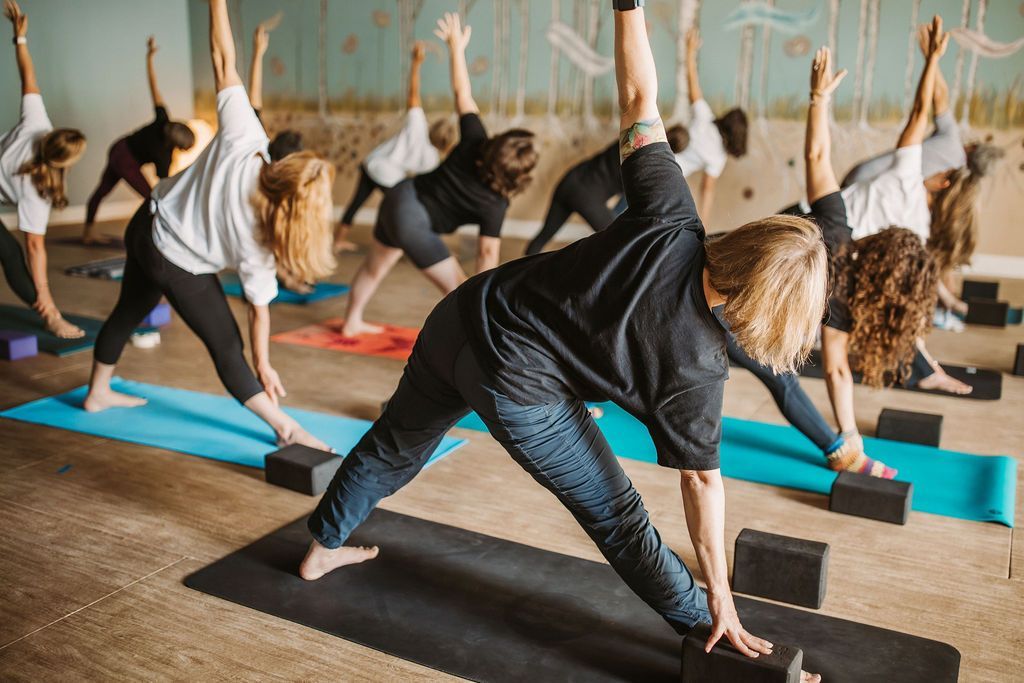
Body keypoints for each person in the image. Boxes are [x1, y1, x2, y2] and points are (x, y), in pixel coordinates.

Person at [299, 7, 826, 682]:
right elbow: (699, 481)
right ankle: (712, 633)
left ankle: (320, 545)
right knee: (618, 515)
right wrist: (719, 593)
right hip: (515, 384)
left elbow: (640, 97)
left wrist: (627, 8)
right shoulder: (697, 369)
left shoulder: (672, 214)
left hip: (462, 314)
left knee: (399, 441)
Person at [83, 0, 335, 452]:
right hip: (174, 257)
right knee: (226, 344)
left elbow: (222, 56)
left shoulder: (247, 138)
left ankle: (98, 392)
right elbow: (258, 310)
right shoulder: (263, 243)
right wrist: (263, 362)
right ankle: (285, 427)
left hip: (146, 223)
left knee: (129, 310)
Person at [339, 13, 537, 339]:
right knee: (462, 292)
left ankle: (352, 322)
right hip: (413, 221)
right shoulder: (495, 204)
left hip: (399, 196)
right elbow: (487, 255)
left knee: (376, 265)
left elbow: (462, 93)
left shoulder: (475, 139)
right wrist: (481, 298)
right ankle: (473, 350)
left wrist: (456, 47)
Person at [0, 0, 86, 339]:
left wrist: (19, 38)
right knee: (10, 253)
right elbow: (35, 247)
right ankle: (50, 317)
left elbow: (28, 76)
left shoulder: (39, 122)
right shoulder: (37, 190)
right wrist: (46, 295)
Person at [335, 42, 456, 254]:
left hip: (372, 163)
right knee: (404, 208)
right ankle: (406, 244)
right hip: (388, 175)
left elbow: (413, 94)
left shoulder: (418, 123)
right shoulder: (432, 160)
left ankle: (338, 240)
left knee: (356, 203)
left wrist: (416, 64)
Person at [83, 36, 195, 245]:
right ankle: (154, 237)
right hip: (125, 159)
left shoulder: (163, 119)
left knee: (102, 191)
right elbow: (163, 187)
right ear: (177, 145)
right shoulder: (164, 154)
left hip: (118, 146)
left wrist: (149, 57)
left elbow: (154, 87)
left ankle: (88, 232)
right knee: (152, 199)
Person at [524, 125, 689, 256]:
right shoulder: (652, 163)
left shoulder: (636, 134)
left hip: (571, 180)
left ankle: (523, 273)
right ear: (676, 152)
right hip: (588, 196)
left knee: (544, 235)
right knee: (617, 240)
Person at [677, 27, 748, 217]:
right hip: (670, 176)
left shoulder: (704, 117)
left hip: (654, 156)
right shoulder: (718, 158)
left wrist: (690, 51)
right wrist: (704, 223)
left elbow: (692, 81)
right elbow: (707, 190)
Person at [248, 17, 304, 164]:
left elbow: (254, 101)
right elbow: (254, 103)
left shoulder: (258, 145)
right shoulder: (274, 180)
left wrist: (257, 54)